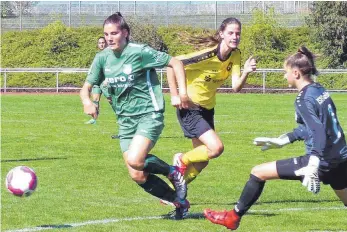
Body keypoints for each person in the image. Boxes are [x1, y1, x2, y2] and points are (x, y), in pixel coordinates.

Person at [204, 46, 347, 230]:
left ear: (295, 73)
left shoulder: (303, 99)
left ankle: (232, 218)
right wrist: (283, 140)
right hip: (341, 157)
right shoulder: (319, 90)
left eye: (285, 72)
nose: (283, 75)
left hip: (323, 160)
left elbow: (318, 131)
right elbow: (312, 128)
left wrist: (313, 163)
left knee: (258, 172)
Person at [80, 12, 191, 219]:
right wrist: (88, 102)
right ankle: (179, 202)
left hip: (149, 114)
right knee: (137, 174)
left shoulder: (140, 52)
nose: (109, 38)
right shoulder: (102, 58)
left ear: (125, 33)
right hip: (125, 121)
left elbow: (175, 63)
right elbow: (86, 87)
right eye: (106, 34)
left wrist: (181, 93)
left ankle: (172, 171)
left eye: (114, 33)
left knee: (135, 159)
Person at [166, 17, 256, 188]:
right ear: (221, 34)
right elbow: (172, 64)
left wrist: (246, 72)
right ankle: (181, 159)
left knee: (202, 161)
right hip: (190, 108)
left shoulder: (235, 55)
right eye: (230, 33)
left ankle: (173, 191)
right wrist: (176, 94)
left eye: (238, 33)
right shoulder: (207, 55)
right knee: (216, 148)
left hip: (207, 110)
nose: (235, 37)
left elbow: (236, 87)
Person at [85, 36, 112, 125]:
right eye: (100, 43)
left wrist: (108, 79)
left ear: (106, 43)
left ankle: (122, 118)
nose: (101, 44)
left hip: (105, 82)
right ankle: (94, 119)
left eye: (103, 42)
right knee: (95, 100)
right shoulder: (98, 55)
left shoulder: (109, 54)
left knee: (111, 100)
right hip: (97, 82)